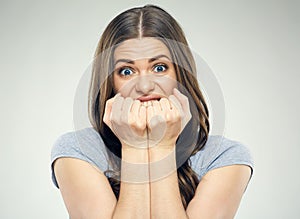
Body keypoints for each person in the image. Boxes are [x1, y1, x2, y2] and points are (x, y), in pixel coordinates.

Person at [51, 4, 253, 219]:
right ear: (111, 83)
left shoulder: (224, 157)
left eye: (159, 68)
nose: (145, 86)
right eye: (126, 71)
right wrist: (134, 146)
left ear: (180, 74)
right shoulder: (79, 151)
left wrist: (162, 146)